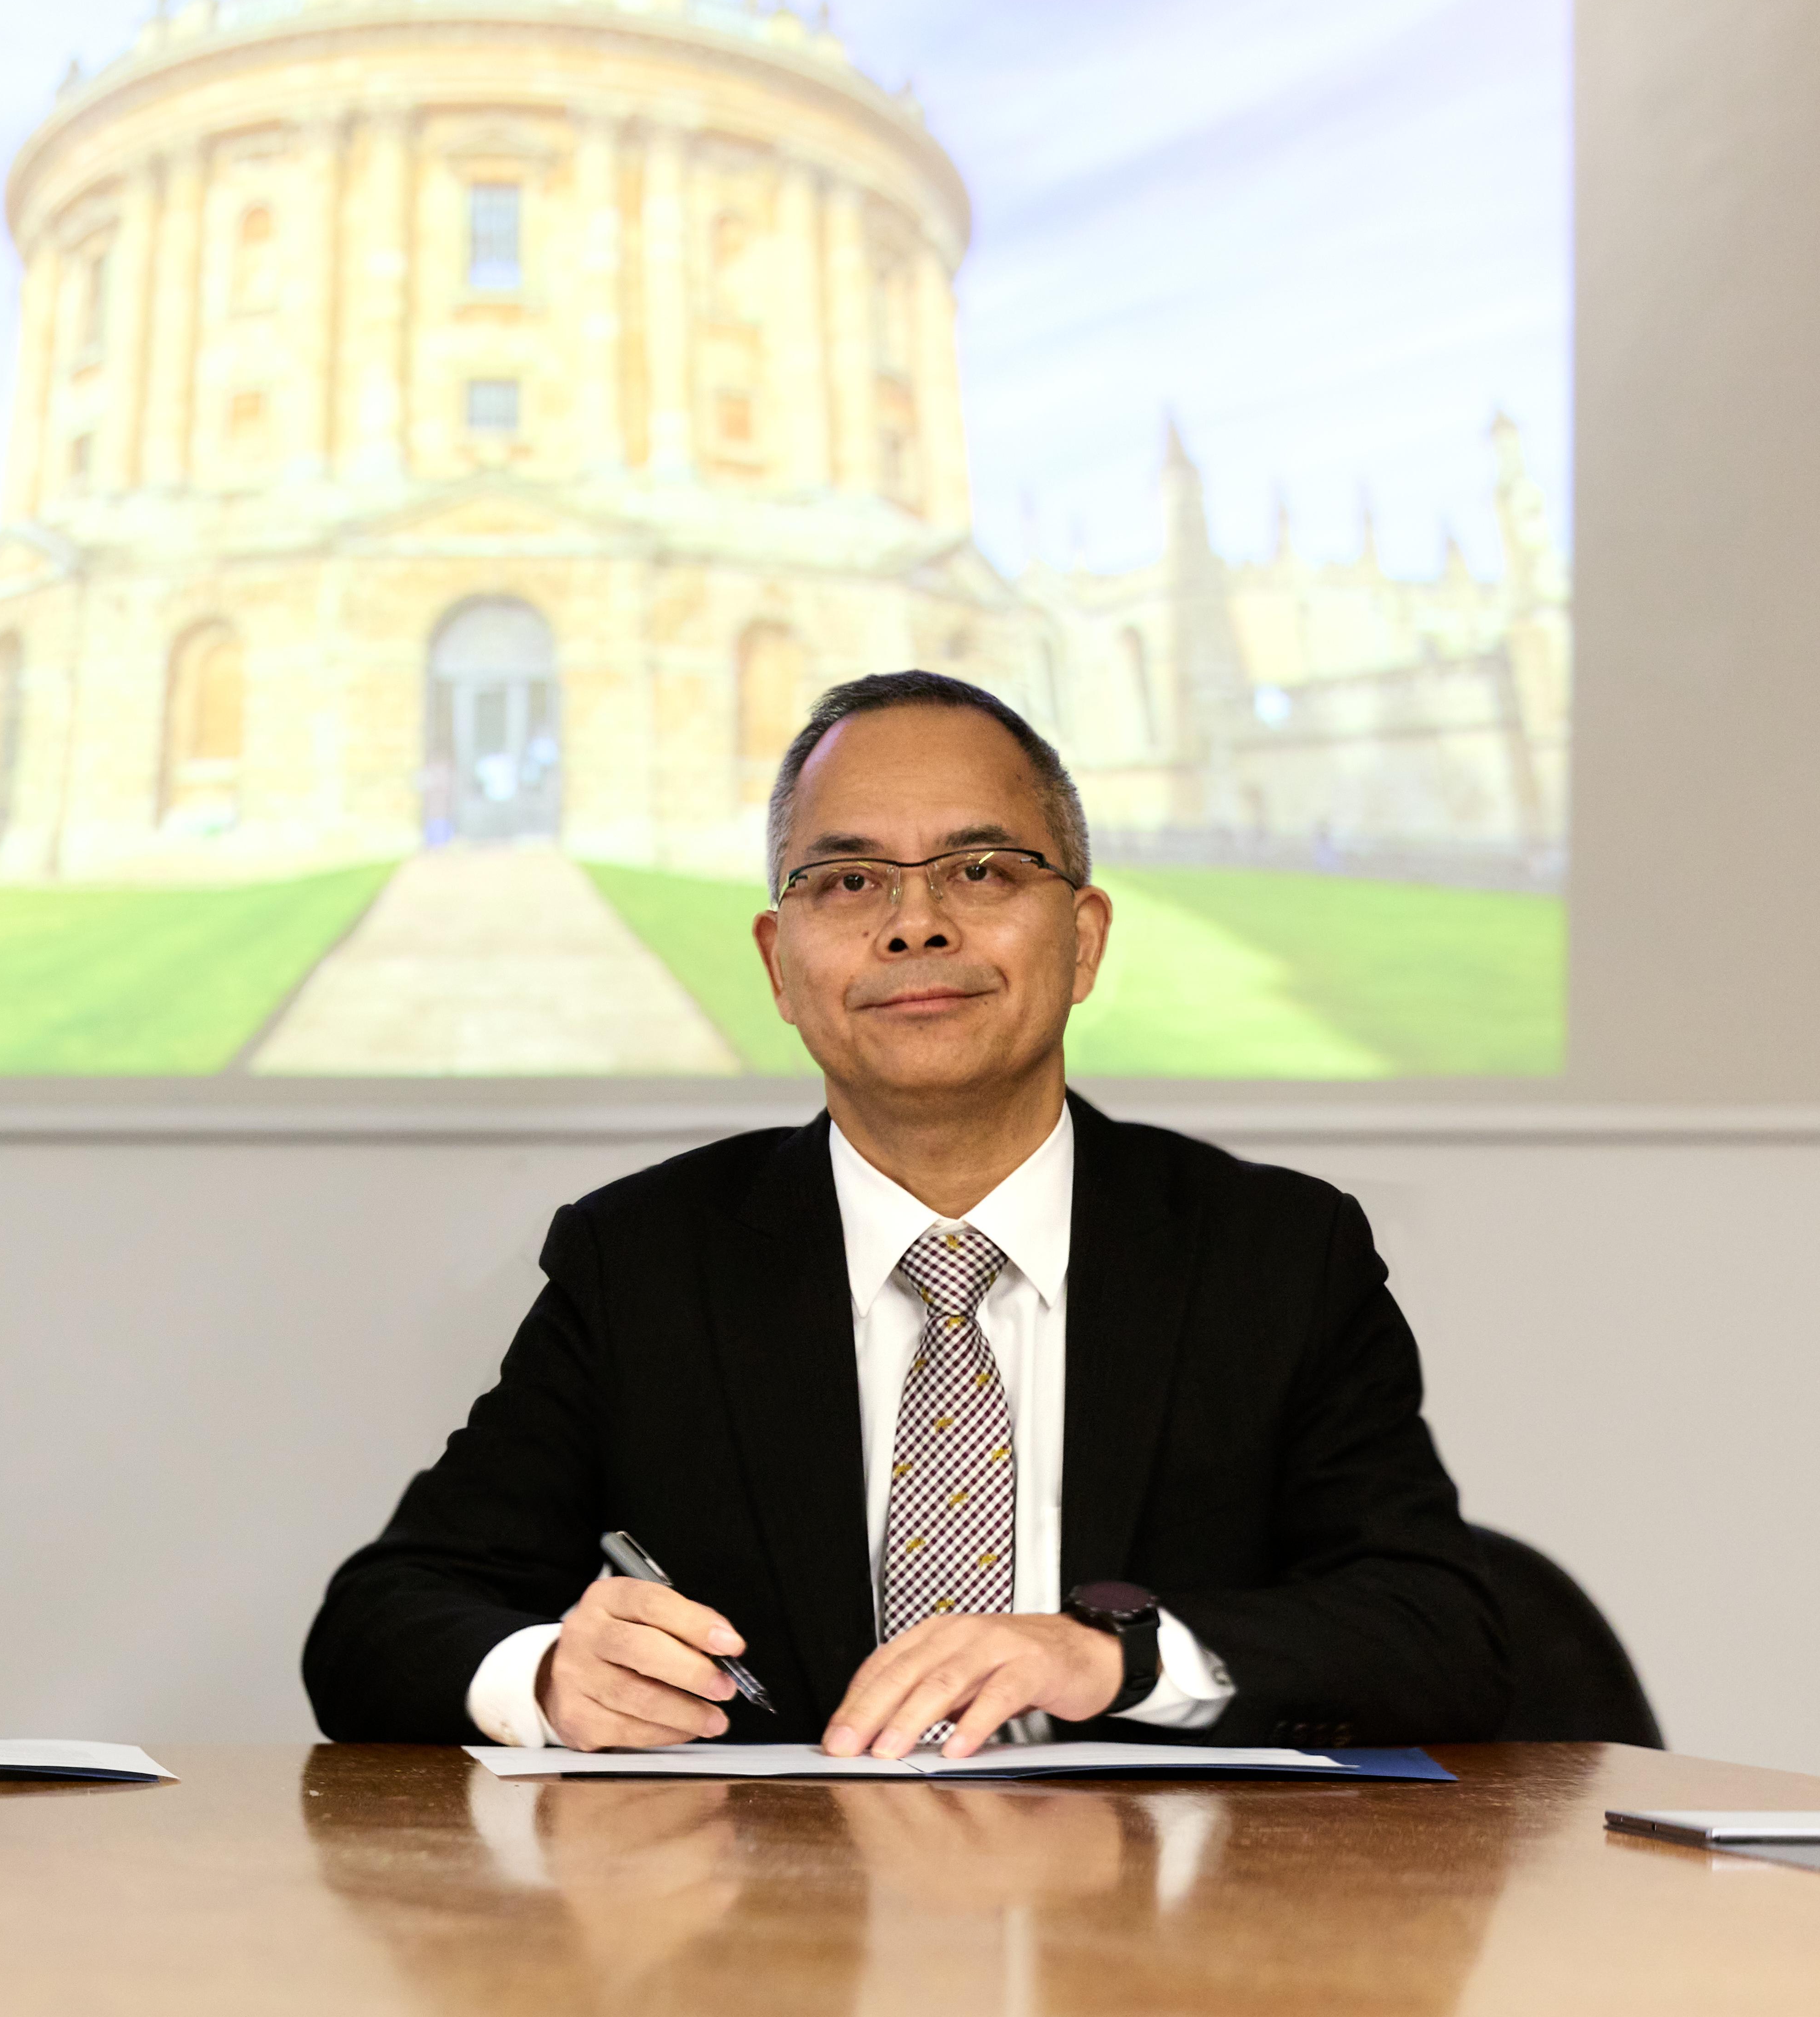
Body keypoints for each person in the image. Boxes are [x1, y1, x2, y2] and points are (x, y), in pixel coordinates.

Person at [302, 670, 1506, 1759]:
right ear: (779, 965)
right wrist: (553, 1677)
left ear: (1081, 939)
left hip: (1152, 1961)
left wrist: (1115, 1661)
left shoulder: (1274, 1256)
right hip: (771, 1958)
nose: (914, 923)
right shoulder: (646, 1262)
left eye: (980, 871)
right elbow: (381, 1620)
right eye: (847, 880)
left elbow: (1438, 1630)